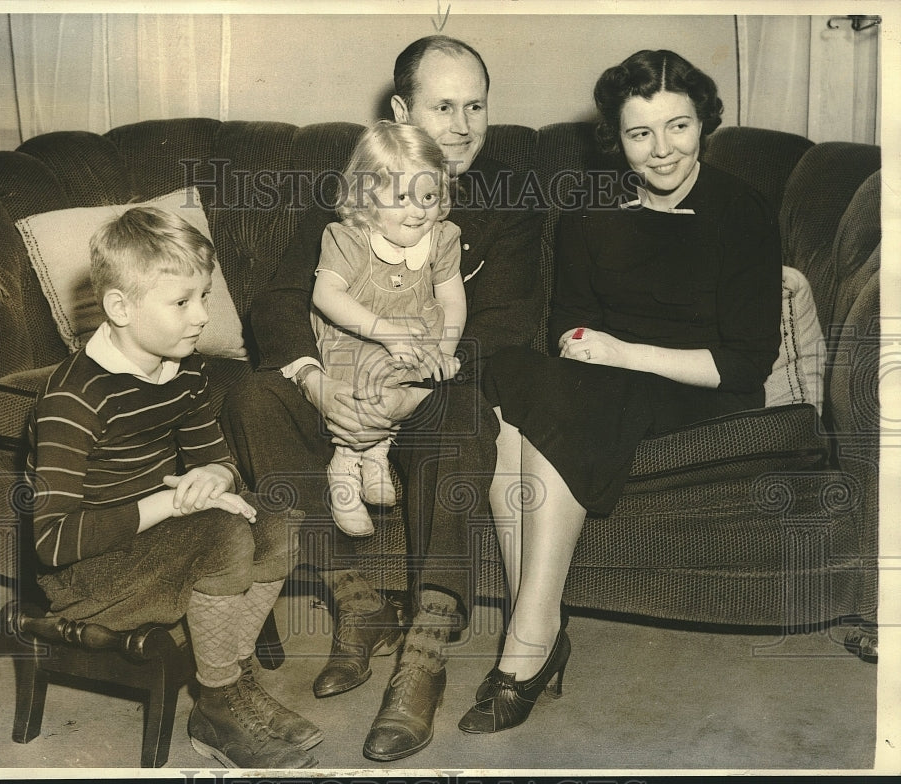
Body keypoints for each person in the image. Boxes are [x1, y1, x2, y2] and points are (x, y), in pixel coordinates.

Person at [223, 35, 543, 761]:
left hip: (434, 388)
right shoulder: (362, 182)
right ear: (402, 110)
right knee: (251, 400)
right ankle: (358, 605)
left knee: (466, 410)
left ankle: (425, 649)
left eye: (476, 107)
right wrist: (316, 381)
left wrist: (408, 391)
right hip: (339, 376)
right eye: (442, 107)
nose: (462, 126)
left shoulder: (510, 201)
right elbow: (277, 297)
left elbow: (507, 327)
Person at [458, 49, 783, 734]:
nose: (662, 150)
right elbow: (565, 328)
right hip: (600, 380)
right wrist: (594, 353)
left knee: (562, 403)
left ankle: (527, 646)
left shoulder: (742, 211)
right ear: (617, 137)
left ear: (705, 123)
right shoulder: (589, 206)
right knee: (513, 383)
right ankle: (540, 627)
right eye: (641, 133)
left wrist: (622, 354)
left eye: (679, 127)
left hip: (697, 388)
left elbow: (745, 366)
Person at [26, 206, 322, 768]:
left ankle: (230, 683)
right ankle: (215, 706)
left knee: (278, 519)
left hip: (156, 545)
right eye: (182, 301)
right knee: (223, 533)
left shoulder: (181, 369)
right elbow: (52, 544)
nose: (202, 316)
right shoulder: (73, 400)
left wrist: (216, 475)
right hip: (89, 578)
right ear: (120, 307)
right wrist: (167, 503)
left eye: (205, 296)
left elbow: (215, 457)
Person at [311, 120, 466, 537]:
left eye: (429, 196)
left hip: (415, 336)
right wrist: (385, 333)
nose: (419, 210)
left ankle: (377, 452)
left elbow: (452, 299)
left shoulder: (442, 238)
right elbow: (326, 295)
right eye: (401, 197)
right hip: (358, 333)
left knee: (412, 383)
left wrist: (444, 349)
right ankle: (345, 464)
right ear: (366, 196)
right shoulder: (348, 238)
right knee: (374, 373)